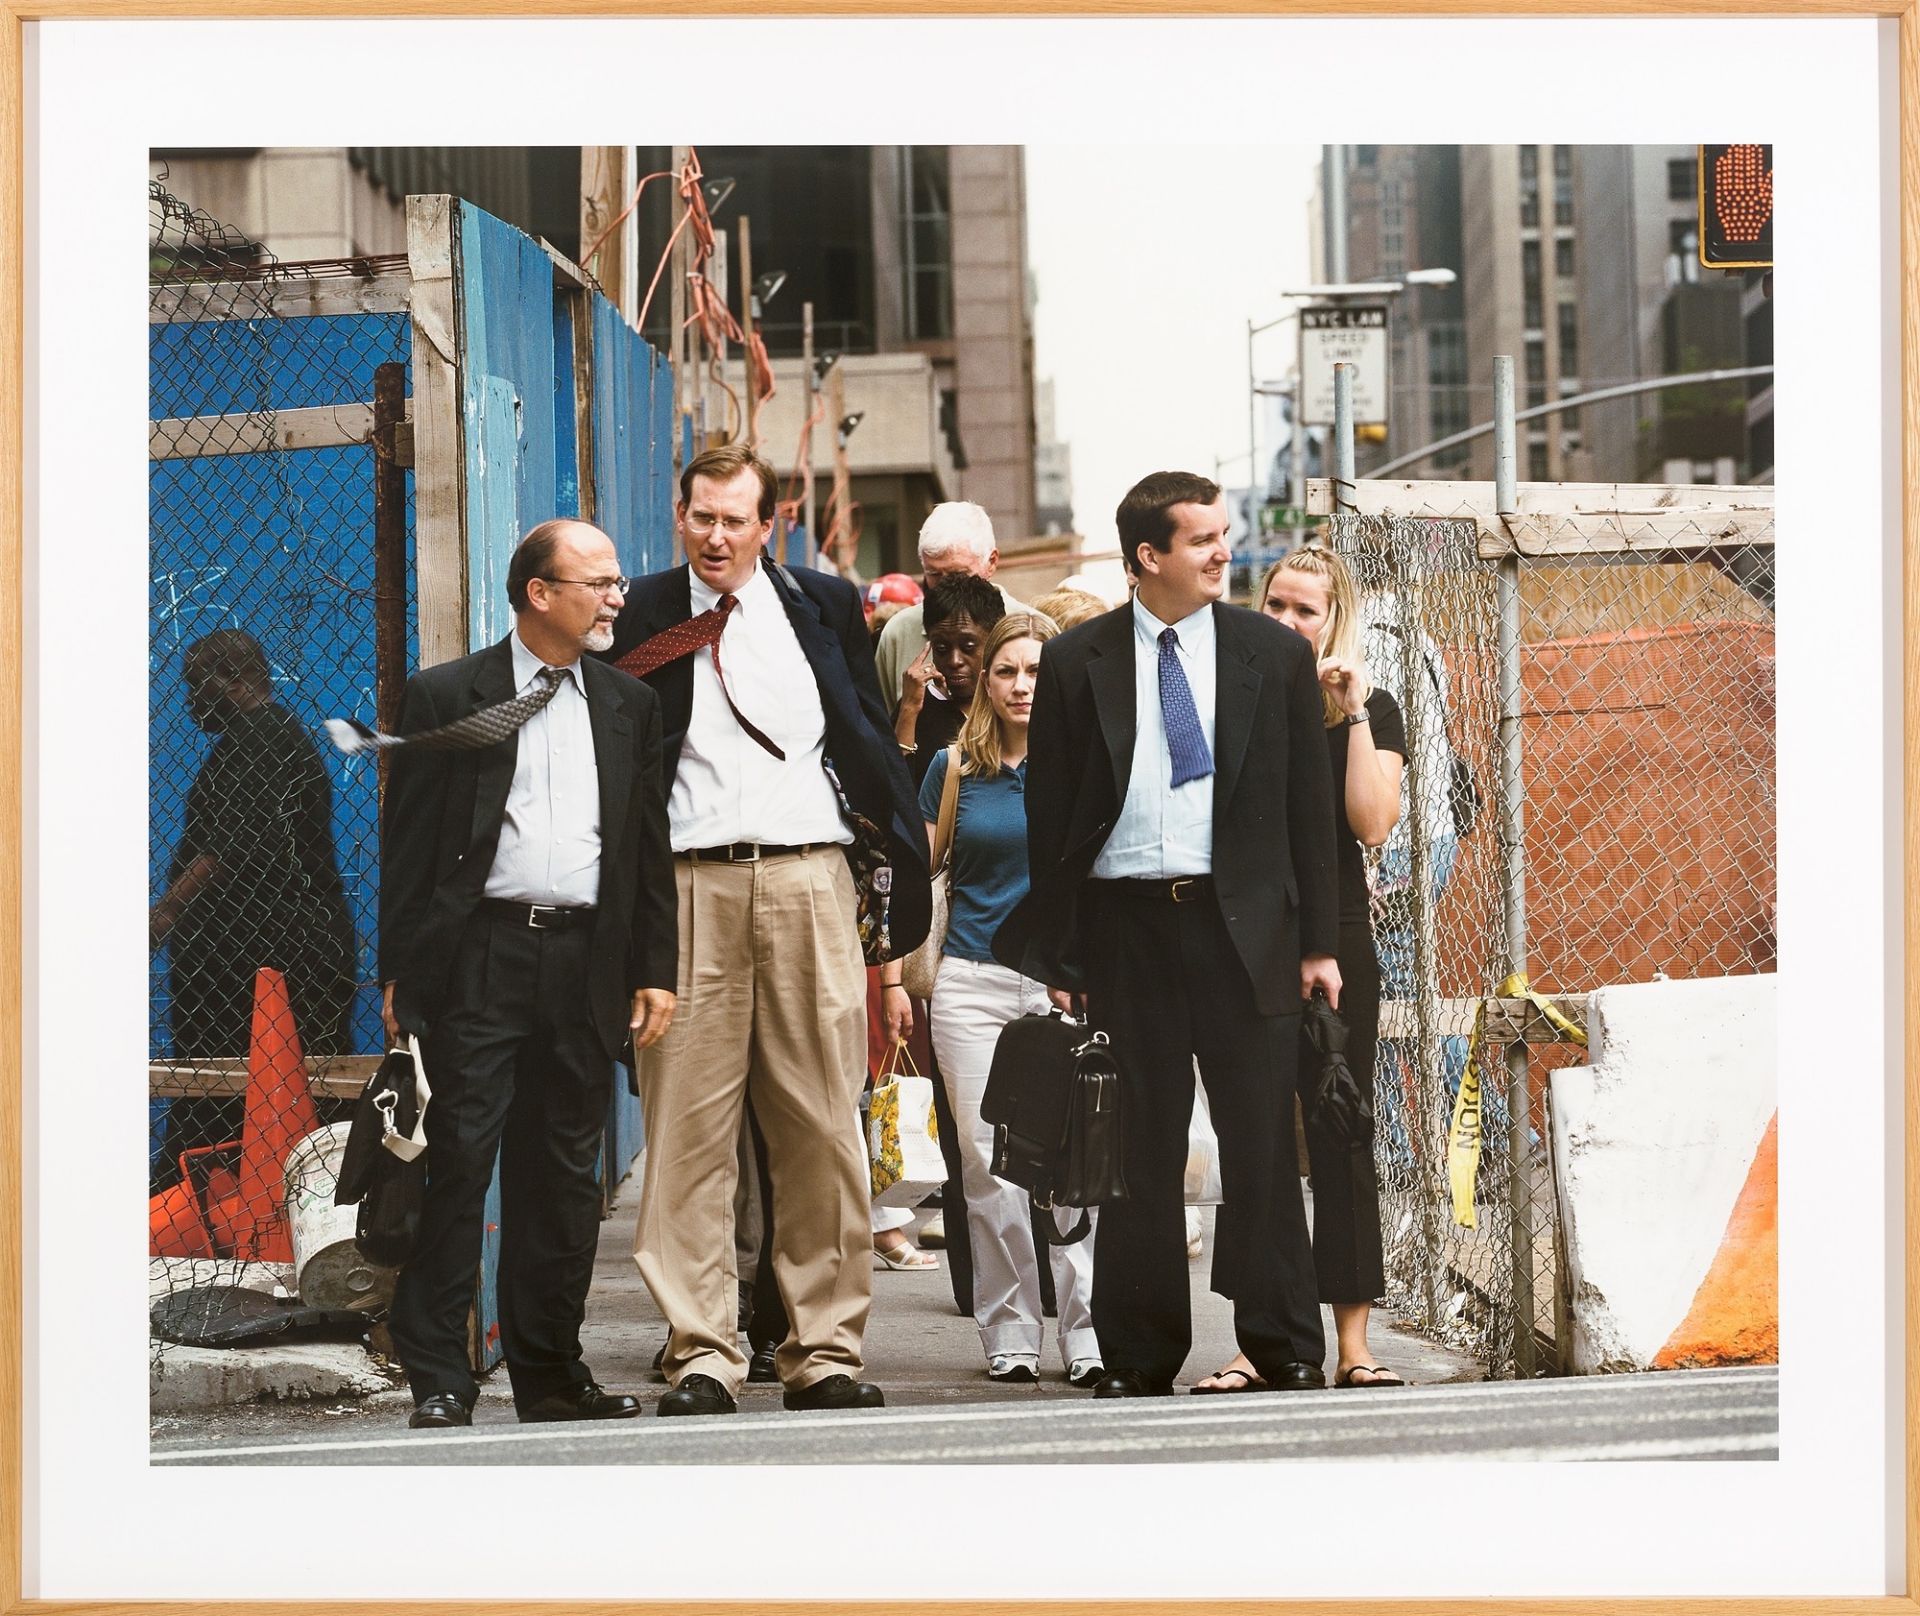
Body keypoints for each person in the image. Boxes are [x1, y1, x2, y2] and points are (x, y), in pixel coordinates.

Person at [994, 469, 1341, 1398]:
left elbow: (1311, 809)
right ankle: (1140, 1355)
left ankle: (1283, 1345)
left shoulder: (1273, 654)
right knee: (1133, 1153)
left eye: (1223, 535)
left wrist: (1320, 944)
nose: (1223, 551)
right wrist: (1062, 954)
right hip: (1126, 934)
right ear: (1150, 557)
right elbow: (1055, 817)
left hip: (1246, 935)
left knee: (1262, 1144)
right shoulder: (1079, 662)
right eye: (1202, 540)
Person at [603, 443, 931, 1418]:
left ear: (765, 521)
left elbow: (866, 740)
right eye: (699, 515)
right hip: (686, 886)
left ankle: (824, 1349)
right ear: (681, 515)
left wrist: (892, 888)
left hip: (805, 880)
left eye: (732, 518)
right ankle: (702, 1349)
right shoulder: (647, 612)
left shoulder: (824, 606)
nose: (714, 534)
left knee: (821, 1121)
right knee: (687, 1127)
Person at [378, 518, 678, 1430]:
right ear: (539, 594)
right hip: (482, 957)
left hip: (587, 960)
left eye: (618, 582)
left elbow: (644, 849)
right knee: (460, 1162)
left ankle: (551, 1373)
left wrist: (653, 970)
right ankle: (440, 1375)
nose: (617, 598)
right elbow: (411, 844)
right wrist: (401, 972)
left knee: (562, 1177)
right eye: (598, 583)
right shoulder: (446, 695)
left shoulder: (630, 705)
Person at [1193, 545, 1408, 1392]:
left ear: (1335, 621)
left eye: (1304, 611)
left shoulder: (1372, 709)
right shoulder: (1232, 697)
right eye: (1274, 605)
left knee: (1339, 1126)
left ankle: (1355, 1344)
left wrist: (1351, 714)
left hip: (1339, 932)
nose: (1285, 623)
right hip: (1247, 932)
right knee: (1256, 1136)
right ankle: (1261, 1341)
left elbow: (1372, 823)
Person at [882, 611, 1102, 1387]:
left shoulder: (1086, 766)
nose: (1021, 686)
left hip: (1062, 987)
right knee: (988, 1167)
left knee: (1077, 1163)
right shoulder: (954, 770)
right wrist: (889, 979)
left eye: (1038, 671)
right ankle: (1010, 1328)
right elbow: (912, 878)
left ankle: (1086, 1332)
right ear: (986, 682)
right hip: (970, 986)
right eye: (1008, 670)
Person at [150, 629, 356, 1190]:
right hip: (255, 958)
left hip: (259, 962)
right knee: (237, 1099)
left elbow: (231, 846)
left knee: (230, 1100)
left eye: (199, 685)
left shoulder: (261, 738)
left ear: (236, 680)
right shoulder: (262, 737)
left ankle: (205, 1211)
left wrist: (161, 918)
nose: (190, 700)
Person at [873, 501, 1021, 713]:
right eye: (933, 574)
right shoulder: (898, 632)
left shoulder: (1031, 629)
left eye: (957, 574)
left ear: (991, 562)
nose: (945, 586)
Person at [893, 573, 1006, 790]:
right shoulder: (917, 706)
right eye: (942, 649)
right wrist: (908, 709)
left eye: (968, 647)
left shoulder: (1014, 701)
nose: (954, 661)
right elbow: (894, 791)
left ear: (995, 639)